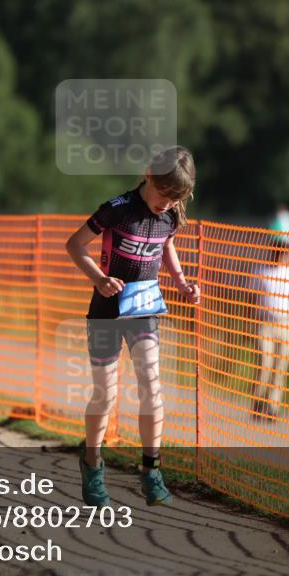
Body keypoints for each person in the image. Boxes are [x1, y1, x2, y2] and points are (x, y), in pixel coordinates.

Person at [65, 146, 200, 507]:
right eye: (164, 194)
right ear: (149, 175)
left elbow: (166, 245)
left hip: (144, 310)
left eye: (176, 199)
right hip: (107, 310)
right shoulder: (118, 210)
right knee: (105, 394)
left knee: (151, 385)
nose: (167, 204)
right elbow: (75, 244)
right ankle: (92, 463)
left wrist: (182, 282)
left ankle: (151, 470)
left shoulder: (171, 215)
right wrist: (98, 278)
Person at [250, 240, 289, 420]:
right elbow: (251, 299)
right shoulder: (260, 271)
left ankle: (273, 407)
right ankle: (258, 402)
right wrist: (247, 324)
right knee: (265, 363)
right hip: (265, 323)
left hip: (286, 324)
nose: (281, 254)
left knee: (280, 368)